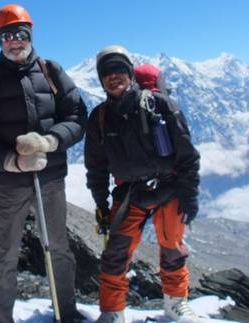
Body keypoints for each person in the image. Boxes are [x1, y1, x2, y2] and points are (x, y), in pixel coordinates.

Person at [0, 4, 87, 323]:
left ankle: (65, 313)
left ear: (30, 34)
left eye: (20, 33)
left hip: (51, 180)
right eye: (6, 36)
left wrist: (51, 141)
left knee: (59, 249)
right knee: (4, 257)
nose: (14, 41)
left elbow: (77, 116)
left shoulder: (51, 71)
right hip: (7, 184)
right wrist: (10, 162)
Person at [84, 46, 201, 323]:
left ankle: (175, 304)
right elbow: (96, 168)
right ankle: (112, 311)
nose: (114, 77)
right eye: (107, 73)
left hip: (169, 186)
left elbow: (187, 154)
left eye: (119, 70)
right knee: (115, 253)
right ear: (100, 80)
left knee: (172, 247)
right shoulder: (99, 118)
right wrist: (101, 204)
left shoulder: (160, 105)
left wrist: (190, 194)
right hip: (130, 193)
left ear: (130, 73)